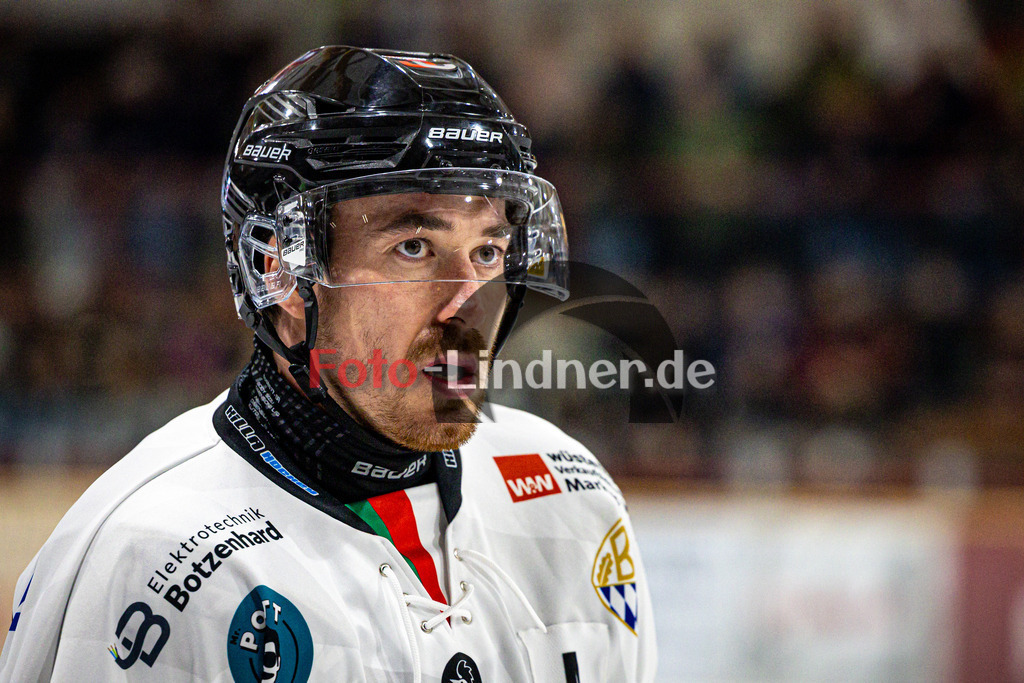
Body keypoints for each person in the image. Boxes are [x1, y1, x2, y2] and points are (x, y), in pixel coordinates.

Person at [0, 46, 656, 682]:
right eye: (414, 247)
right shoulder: (151, 562)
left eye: (487, 251)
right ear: (279, 273)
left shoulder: (572, 498)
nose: (467, 304)